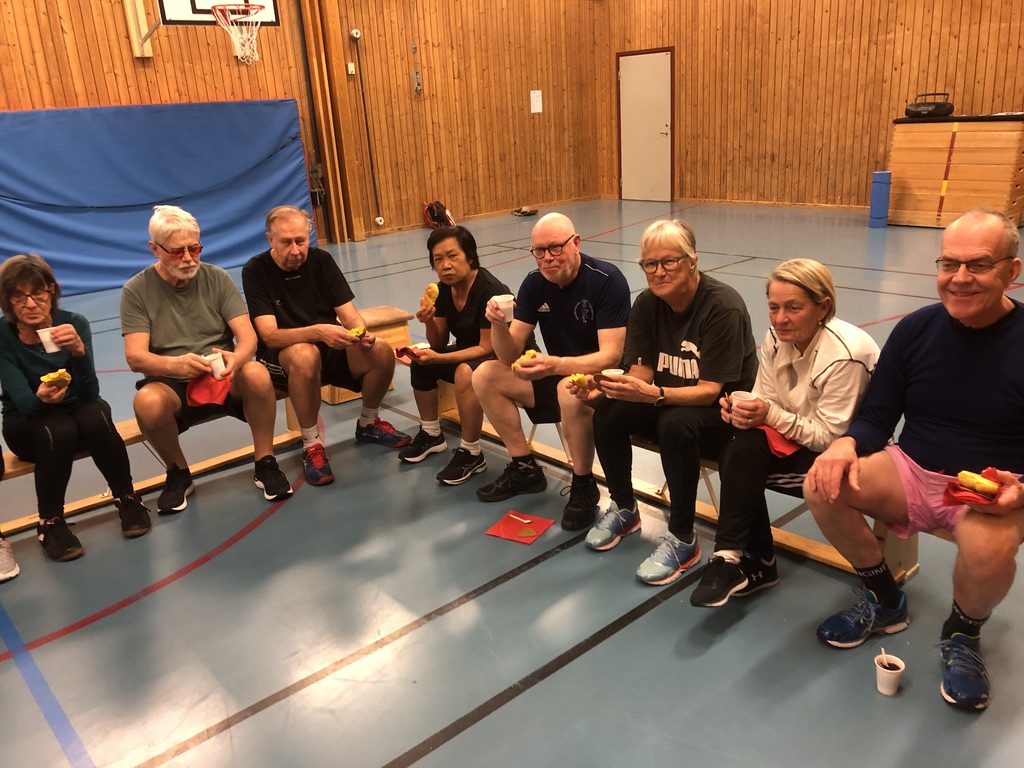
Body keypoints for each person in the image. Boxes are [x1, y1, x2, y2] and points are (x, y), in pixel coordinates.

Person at [804, 208, 1024, 712]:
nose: (959, 278)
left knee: (989, 550)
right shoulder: (916, 329)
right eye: (949, 263)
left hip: (993, 490)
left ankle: (963, 634)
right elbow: (877, 416)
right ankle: (885, 598)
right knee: (821, 484)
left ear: (1012, 271)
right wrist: (845, 444)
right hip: (912, 468)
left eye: (978, 264)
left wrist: (1020, 491)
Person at [689, 259, 879, 607]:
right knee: (740, 446)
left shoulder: (845, 355)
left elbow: (830, 438)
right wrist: (742, 412)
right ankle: (730, 558)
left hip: (849, 455)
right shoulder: (776, 337)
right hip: (799, 436)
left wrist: (768, 414)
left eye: (793, 308)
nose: (780, 319)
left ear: (823, 307)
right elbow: (766, 398)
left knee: (738, 462)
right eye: (774, 307)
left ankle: (755, 563)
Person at [579, 219, 758, 585]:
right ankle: (624, 507)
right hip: (669, 403)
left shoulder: (722, 307)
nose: (658, 272)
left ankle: (682, 537)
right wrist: (609, 388)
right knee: (609, 412)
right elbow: (642, 372)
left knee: (674, 424)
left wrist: (655, 395)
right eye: (650, 263)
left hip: (723, 416)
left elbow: (710, 391)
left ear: (692, 262)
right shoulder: (647, 304)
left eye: (669, 262)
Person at [121, 205, 293, 513]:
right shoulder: (136, 290)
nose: (188, 258)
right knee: (147, 402)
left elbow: (248, 337)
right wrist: (176, 365)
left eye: (195, 248)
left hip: (222, 373)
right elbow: (136, 357)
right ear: (155, 249)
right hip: (171, 381)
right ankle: (178, 473)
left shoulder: (217, 278)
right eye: (177, 252)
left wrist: (236, 358)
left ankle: (265, 462)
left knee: (256, 373)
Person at [472, 212, 630, 530]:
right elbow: (508, 355)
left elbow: (610, 356)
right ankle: (524, 468)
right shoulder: (534, 283)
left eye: (556, 248)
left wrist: (554, 365)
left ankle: (584, 484)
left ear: (576, 243)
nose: (547, 258)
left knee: (566, 390)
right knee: (485, 375)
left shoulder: (607, 280)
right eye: (539, 250)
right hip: (556, 374)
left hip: (602, 382)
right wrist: (498, 324)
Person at [242, 206, 411, 486]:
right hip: (282, 355)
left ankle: (369, 423)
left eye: (301, 241)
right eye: (286, 242)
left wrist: (361, 334)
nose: (295, 250)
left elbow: (349, 314)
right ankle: (312, 445)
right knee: (304, 354)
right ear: (270, 239)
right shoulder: (255, 270)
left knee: (380, 350)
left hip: (327, 345)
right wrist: (319, 332)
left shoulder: (321, 260)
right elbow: (269, 336)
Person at [0, 254, 152, 562]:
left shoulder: (74, 324)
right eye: (18, 297)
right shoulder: (3, 336)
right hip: (26, 423)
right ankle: (50, 522)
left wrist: (79, 352)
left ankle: (127, 498)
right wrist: (41, 398)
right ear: (7, 301)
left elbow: (89, 393)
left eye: (37, 294)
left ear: (51, 291)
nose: (30, 304)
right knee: (60, 429)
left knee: (97, 415)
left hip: (74, 412)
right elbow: (25, 404)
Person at [397, 225, 514, 485]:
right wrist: (429, 321)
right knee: (421, 362)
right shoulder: (443, 290)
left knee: (464, 372)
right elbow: (438, 342)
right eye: (438, 259)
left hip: (504, 359)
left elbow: (487, 348)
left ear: (470, 257)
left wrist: (439, 358)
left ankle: (472, 453)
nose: (445, 265)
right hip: (470, 353)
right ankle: (431, 434)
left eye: (452, 256)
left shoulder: (489, 290)